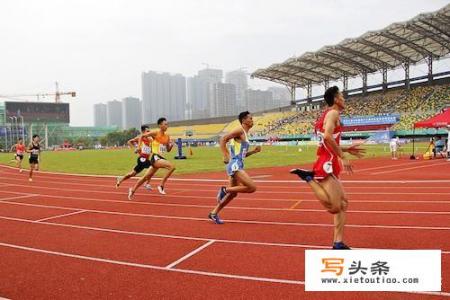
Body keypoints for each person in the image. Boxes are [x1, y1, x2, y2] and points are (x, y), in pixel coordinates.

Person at [290, 86, 365, 250]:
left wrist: (346, 149)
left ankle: (338, 242)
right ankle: (308, 178)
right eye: (342, 97)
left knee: (344, 203)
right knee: (335, 207)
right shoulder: (333, 113)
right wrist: (342, 156)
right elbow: (327, 137)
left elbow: (327, 141)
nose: (344, 99)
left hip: (330, 159)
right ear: (336, 99)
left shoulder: (328, 114)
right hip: (327, 162)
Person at [208, 111, 262, 224]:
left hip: (237, 163)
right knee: (252, 187)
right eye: (250, 118)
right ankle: (224, 189)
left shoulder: (245, 134)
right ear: (244, 120)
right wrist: (225, 155)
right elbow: (223, 139)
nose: (252, 120)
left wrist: (254, 152)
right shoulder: (239, 130)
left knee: (233, 193)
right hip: (235, 165)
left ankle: (214, 213)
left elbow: (242, 155)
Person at [128, 117, 176, 200]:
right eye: (165, 124)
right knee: (172, 167)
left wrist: (171, 145)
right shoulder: (155, 133)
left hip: (161, 158)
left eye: (167, 124)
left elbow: (168, 150)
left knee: (145, 178)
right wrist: (139, 147)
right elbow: (142, 136)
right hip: (155, 158)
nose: (167, 126)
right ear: (160, 125)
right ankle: (161, 185)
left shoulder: (167, 137)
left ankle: (132, 190)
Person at [116, 125, 154, 190]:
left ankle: (120, 179)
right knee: (153, 167)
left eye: (149, 131)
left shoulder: (150, 138)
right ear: (143, 131)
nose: (148, 132)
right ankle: (146, 184)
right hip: (142, 159)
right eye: (147, 131)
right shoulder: (140, 137)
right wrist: (135, 149)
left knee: (132, 174)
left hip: (145, 159)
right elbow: (129, 142)